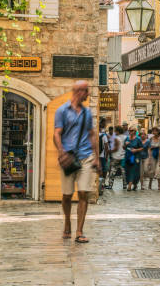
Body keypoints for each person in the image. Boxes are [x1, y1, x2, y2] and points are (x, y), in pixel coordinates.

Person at [53, 81, 100, 243]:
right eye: (86, 91)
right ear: (79, 92)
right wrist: (61, 152)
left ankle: (79, 230)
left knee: (83, 193)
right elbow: (57, 134)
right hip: (68, 158)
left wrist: (97, 157)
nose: (87, 94)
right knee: (66, 195)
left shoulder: (87, 113)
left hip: (86, 156)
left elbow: (92, 135)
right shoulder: (61, 111)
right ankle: (67, 221)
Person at [123, 125, 144, 191]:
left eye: (131, 130)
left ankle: (129, 185)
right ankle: (134, 184)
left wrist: (136, 150)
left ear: (135, 131)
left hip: (135, 157)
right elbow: (123, 148)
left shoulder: (138, 139)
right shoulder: (127, 138)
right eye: (129, 131)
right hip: (128, 157)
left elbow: (142, 148)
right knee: (128, 171)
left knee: (134, 170)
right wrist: (125, 144)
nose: (130, 132)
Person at [98, 118, 110, 188]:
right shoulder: (104, 135)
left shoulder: (95, 134)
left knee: (98, 170)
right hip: (102, 156)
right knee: (104, 170)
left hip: (96, 156)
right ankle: (102, 184)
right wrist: (106, 156)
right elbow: (106, 147)